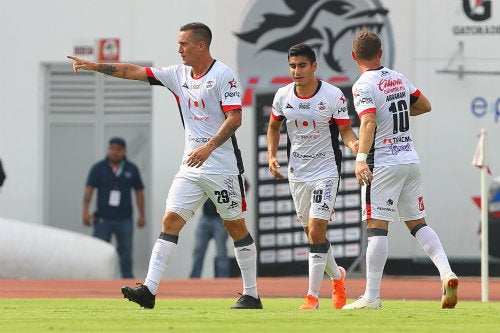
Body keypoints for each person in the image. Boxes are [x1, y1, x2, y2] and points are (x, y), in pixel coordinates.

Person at [68, 22, 262, 310]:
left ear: (201, 46)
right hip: (190, 167)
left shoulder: (223, 75)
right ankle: (149, 290)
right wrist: (95, 66)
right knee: (170, 221)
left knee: (235, 226)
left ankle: (252, 294)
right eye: (179, 43)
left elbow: (235, 118)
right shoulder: (177, 74)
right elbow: (134, 71)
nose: (179, 48)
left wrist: (208, 148)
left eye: (184, 43)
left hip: (222, 167)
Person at [342, 29, 458, 310]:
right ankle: (446, 273)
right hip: (409, 160)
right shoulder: (398, 78)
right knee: (417, 223)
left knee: (376, 227)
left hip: (382, 162)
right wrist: (396, 116)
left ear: (354, 56)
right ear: (380, 53)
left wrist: (360, 158)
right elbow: (425, 106)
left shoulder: (362, 85)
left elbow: (368, 122)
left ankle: (371, 296)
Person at [267, 43, 358, 310]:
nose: (297, 71)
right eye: (293, 66)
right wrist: (272, 155)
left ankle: (312, 297)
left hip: (326, 171)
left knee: (317, 230)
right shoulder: (283, 96)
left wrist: (355, 148)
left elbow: (345, 131)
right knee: (312, 235)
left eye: (302, 65)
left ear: (314, 66)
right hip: (298, 173)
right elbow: (273, 127)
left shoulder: (332, 95)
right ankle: (337, 276)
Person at [83, 137, 145, 278]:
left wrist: (142, 215)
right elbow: (89, 190)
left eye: (118, 149)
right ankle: (97, 279)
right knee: (99, 252)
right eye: (112, 148)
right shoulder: (98, 168)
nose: (114, 152)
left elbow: (139, 192)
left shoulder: (131, 169)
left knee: (126, 253)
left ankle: (128, 279)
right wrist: (85, 213)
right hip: (103, 219)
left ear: (124, 151)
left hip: (124, 219)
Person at [190, 178, 249, 278]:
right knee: (198, 249)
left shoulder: (226, 172)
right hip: (205, 216)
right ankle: (194, 280)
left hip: (220, 218)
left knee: (221, 252)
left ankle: (223, 281)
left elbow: (245, 184)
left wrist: (237, 200)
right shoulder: (206, 172)